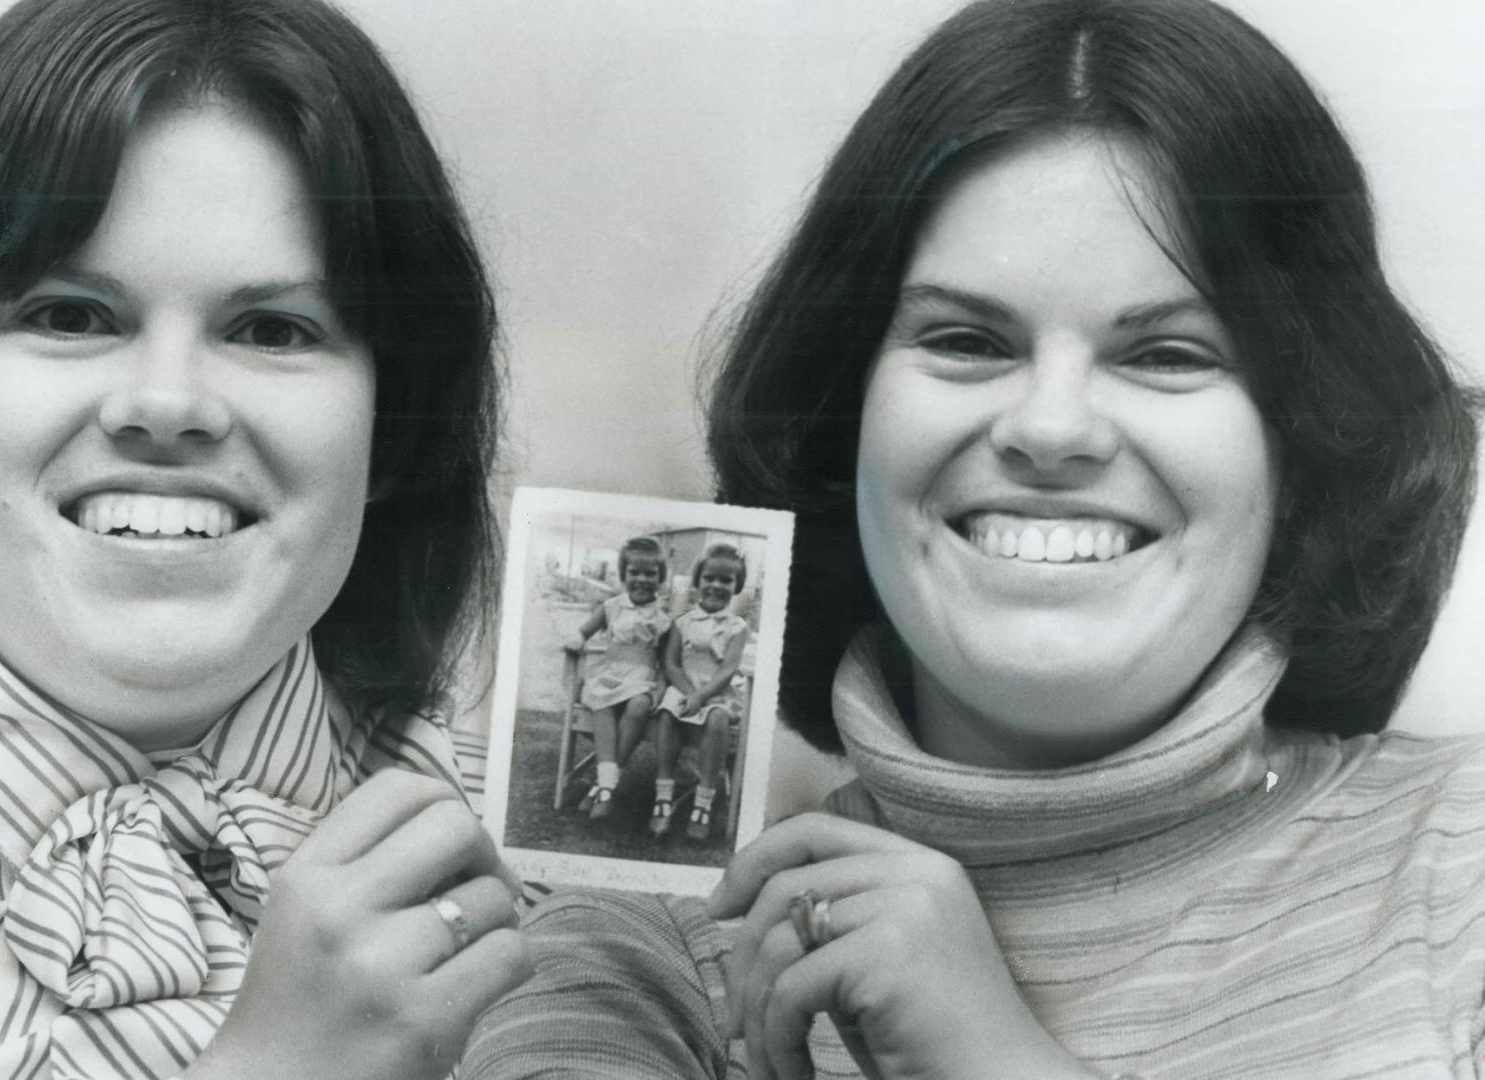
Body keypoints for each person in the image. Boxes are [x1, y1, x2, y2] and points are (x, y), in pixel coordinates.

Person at [461, 0, 1482, 1077]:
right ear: (843, 415)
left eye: (1170, 355)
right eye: (964, 340)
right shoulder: (646, 960)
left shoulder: (1463, 864)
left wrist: (992, 1057)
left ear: (1303, 437)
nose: (1050, 428)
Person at [0, 1, 532, 1077]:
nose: (166, 404)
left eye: (272, 330)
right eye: (69, 315)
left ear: (391, 437)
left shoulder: (544, 873)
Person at [565, 536, 673, 820]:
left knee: (638, 705)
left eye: (650, 573)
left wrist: (661, 688)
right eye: (634, 572)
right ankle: (607, 786)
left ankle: (603, 786)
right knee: (601, 700)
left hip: (642, 677)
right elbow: (583, 631)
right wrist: (576, 639)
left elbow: (667, 661)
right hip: (611, 673)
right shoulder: (611, 606)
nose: (641, 579)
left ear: (660, 578)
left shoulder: (663, 618)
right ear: (623, 574)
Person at [649, 545, 750, 841]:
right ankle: (663, 797)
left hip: (717, 692)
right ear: (698, 581)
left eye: (726, 580)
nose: (716, 585)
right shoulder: (682, 622)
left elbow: (727, 670)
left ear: (736, 586)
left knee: (718, 719)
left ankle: (703, 802)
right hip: (684, 687)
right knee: (668, 714)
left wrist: (702, 697)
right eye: (710, 578)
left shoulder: (737, 627)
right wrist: (689, 694)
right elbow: (670, 663)